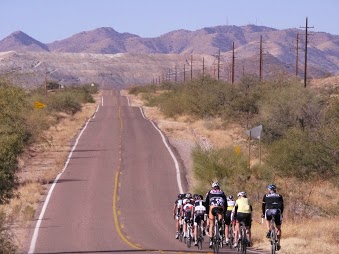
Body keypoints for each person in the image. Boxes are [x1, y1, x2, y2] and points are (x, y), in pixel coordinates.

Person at [205, 181, 227, 248]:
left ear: (213, 187)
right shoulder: (222, 192)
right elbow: (225, 202)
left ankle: (211, 241)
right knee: (221, 215)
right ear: (219, 187)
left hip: (212, 207)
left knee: (211, 224)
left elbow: (206, 203)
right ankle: (220, 225)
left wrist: (207, 212)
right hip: (220, 207)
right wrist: (225, 211)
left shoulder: (210, 192)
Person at [262, 184, 284, 251]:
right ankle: (278, 243)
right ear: (275, 189)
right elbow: (282, 206)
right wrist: (281, 213)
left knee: (267, 219)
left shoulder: (266, 195)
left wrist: (263, 213)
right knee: (278, 228)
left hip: (268, 211)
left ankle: (269, 230)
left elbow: (263, 206)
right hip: (277, 212)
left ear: (269, 189)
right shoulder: (279, 196)